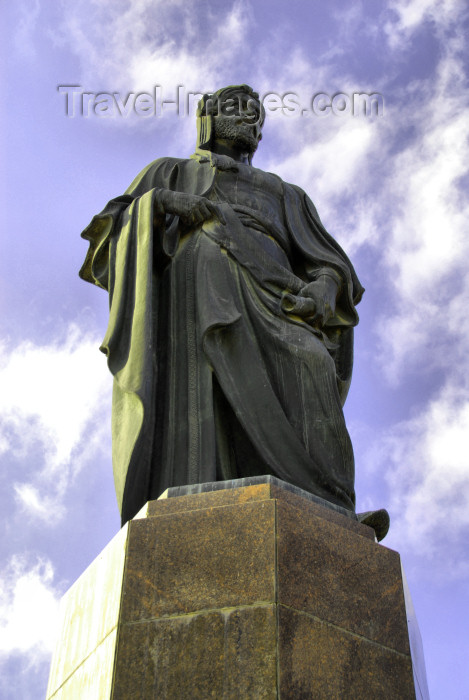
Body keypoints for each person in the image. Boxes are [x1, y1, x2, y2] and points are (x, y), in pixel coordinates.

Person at [80, 84, 366, 527]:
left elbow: (330, 264)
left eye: (257, 112)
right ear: (207, 118)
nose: (249, 116)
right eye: (236, 107)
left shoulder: (285, 193)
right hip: (197, 291)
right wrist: (161, 203)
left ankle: (331, 509)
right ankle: (193, 507)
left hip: (280, 295)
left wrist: (325, 288)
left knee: (312, 366)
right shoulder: (170, 170)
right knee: (204, 392)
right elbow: (109, 229)